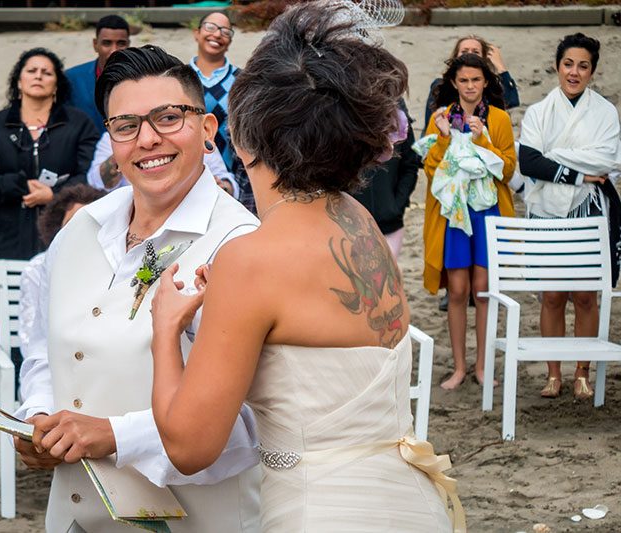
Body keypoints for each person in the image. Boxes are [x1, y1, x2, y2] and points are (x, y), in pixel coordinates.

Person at [149, 3, 462, 531]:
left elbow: (188, 445)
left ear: (244, 136)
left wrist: (166, 328)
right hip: (406, 500)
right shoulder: (357, 219)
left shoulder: (251, 259)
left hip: (324, 512)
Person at [17, 45, 261, 532]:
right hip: (74, 517)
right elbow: (44, 347)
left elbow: (254, 421)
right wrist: (37, 418)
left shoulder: (240, 245)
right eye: (126, 126)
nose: (147, 139)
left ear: (208, 129)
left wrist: (113, 435)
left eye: (168, 118)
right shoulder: (81, 228)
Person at [518, 33, 621, 400]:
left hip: (588, 209)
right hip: (547, 213)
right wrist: (580, 170)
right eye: (568, 64)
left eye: (583, 66)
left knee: (585, 297)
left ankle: (582, 373)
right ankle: (553, 373)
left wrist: (555, 156)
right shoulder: (539, 112)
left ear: (592, 71)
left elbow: (609, 159)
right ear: (557, 66)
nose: (574, 72)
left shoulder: (605, 113)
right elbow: (528, 162)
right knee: (552, 295)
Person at [421, 53, 516, 390]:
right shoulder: (441, 118)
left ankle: (482, 366)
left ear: (486, 82)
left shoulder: (500, 119)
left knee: (484, 291)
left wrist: (484, 140)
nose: (470, 86)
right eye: (464, 80)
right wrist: (445, 137)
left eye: (476, 80)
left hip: (489, 213)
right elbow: (432, 171)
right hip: (454, 214)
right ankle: (460, 367)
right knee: (458, 290)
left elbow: (507, 171)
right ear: (453, 83)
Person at [0, 48, 100, 267]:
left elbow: (91, 173)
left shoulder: (79, 124)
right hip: (10, 239)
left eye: (47, 73)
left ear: (57, 84)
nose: (38, 76)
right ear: (19, 81)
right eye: (31, 70)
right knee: (11, 299)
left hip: (64, 235)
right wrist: (18, 185)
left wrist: (54, 194)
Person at [18, 184, 105, 372]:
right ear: (57, 228)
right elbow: (31, 342)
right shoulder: (38, 269)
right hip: (53, 369)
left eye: (93, 225)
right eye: (72, 225)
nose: (82, 233)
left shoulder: (114, 266)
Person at [188, 12, 253, 209]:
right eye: (210, 27)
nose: (217, 35)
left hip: (237, 181)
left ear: (230, 40)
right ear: (196, 33)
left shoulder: (243, 81)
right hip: (188, 179)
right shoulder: (179, 79)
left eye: (225, 31)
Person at [353, 98, 420, 259]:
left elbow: (410, 165)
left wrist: (397, 205)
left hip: (390, 223)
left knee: (388, 281)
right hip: (351, 225)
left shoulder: (398, 114)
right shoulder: (345, 112)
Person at [87, 130, 239, 198]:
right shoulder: (111, 139)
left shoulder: (191, 134)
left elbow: (225, 179)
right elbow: (97, 183)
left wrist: (221, 188)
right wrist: (126, 145)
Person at [424, 34, 520, 127]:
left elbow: (511, 101)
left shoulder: (488, 84)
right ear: (456, 57)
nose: (470, 55)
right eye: (464, 51)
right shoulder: (441, 85)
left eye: (476, 52)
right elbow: (430, 124)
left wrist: (500, 67)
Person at [66, 14, 130, 134]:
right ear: (95, 44)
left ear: (128, 45)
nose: (114, 50)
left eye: (121, 43)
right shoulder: (71, 79)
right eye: (107, 43)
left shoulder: (142, 79)